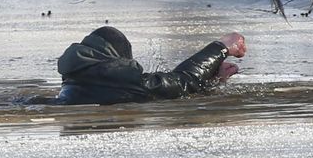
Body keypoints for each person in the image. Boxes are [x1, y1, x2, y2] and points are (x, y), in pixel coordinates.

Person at [46, 26, 246, 105]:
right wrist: (221, 47)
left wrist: (210, 80)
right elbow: (183, 83)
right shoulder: (115, 79)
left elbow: (163, 86)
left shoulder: (73, 85)